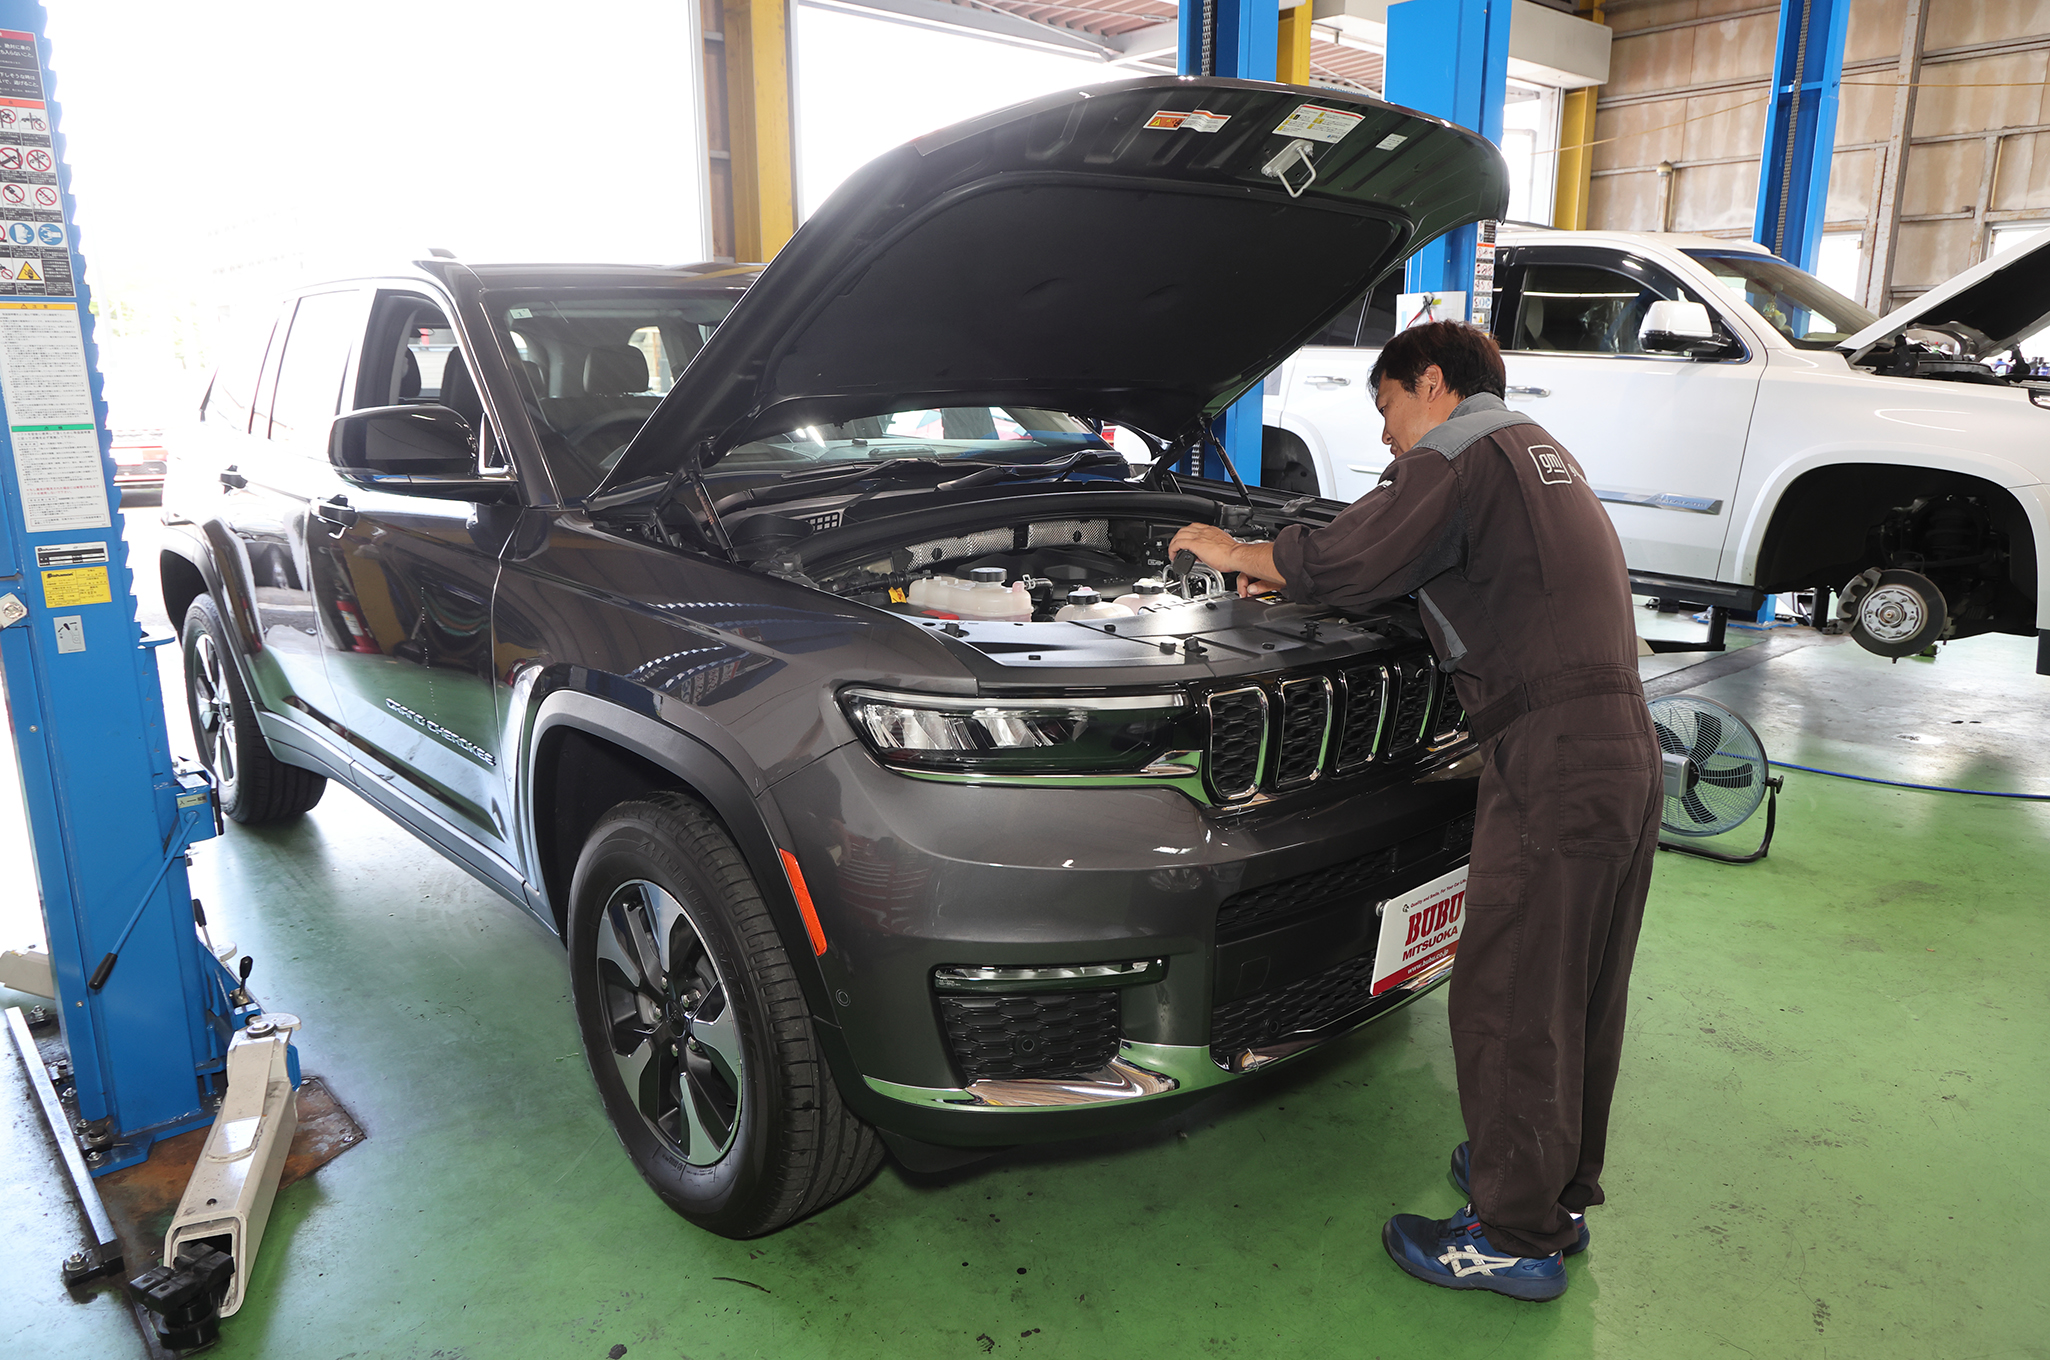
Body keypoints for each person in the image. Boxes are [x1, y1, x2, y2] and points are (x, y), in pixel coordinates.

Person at [1168, 321, 1662, 1303]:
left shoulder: (1455, 452)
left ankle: (1512, 1236)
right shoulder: (1536, 453)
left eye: (1388, 407)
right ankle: (1544, 1186)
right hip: (1617, 745)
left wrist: (1234, 549)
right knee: (1574, 989)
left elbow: (1353, 556)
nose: (1387, 435)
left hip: (1553, 755)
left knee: (1512, 991)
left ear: (1431, 382)